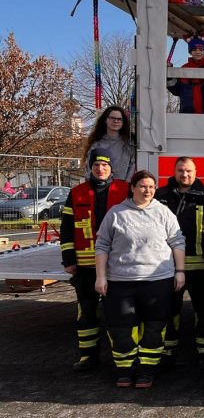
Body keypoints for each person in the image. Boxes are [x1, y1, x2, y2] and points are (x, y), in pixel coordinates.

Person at [94, 170, 186, 388]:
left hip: (158, 281)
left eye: (152, 187)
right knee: (121, 330)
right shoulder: (116, 213)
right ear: (133, 188)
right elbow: (102, 245)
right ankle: (125, 371)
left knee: (154, 329)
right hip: (120, 282)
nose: (148, 190)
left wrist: (180, 271)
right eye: (143, 186)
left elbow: (177, 242)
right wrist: (100, 277)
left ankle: (147, 371)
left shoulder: (163, 213)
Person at [60, 148, 130, 372]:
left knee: (116, 313)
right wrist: (69, 260)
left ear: (111, 168)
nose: (101, 169)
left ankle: (119, 358)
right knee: (86, 313)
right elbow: (67, 229)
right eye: (96, 165)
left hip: (116, 264)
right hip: (85, 266)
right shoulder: (77, 192)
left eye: (105, 165)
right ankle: (88, 357)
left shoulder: (124, 189)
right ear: (90, 167)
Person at [155, 157, 204, 368]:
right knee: (169, 311)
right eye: (181, 171)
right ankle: (168, 352)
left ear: (195, 172)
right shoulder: (161, 196)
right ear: (174, 172)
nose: (185, 175)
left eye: (189, 171)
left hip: (202, 265)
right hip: (167, 265)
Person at [82, 106, 135, 181]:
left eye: (119, 119)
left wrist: (126, 183)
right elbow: (89, 167)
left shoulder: (129, 142)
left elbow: (132, 165)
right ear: (105, 120)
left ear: (123, 122)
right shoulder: (97, 142)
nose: (116, 121)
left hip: (121, 185)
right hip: (100, 186)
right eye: (112, 118)